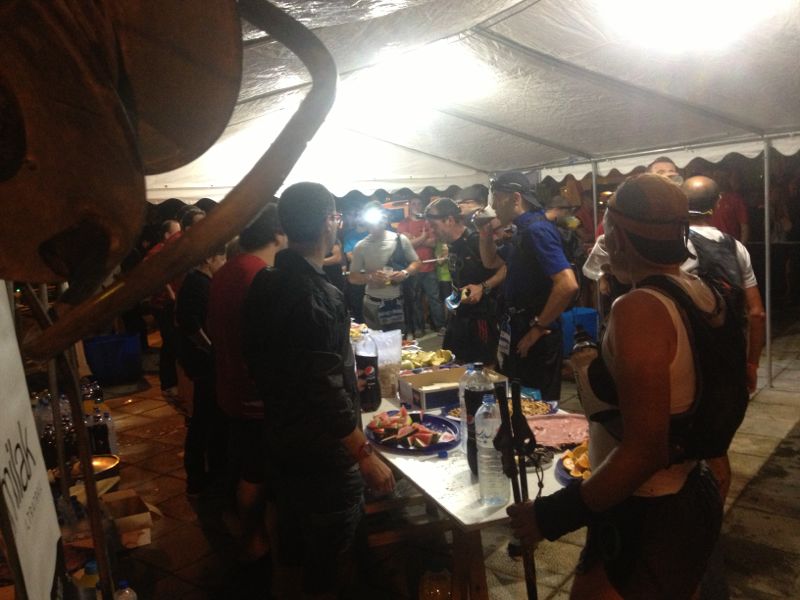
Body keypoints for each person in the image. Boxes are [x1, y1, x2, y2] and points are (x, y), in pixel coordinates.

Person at [508, 174, 726, 599]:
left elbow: (645, 450)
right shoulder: (701, 290)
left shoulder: (641, 308)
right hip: (685, 492)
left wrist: (551, 516)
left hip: (646, 506)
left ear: (618, 236)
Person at [243, 182, 395, 598]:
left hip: (281, 439)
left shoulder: (264, 282)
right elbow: (323, 388)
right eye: (336, 217)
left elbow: (263, 360)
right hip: (323, 455)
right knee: (330, 562)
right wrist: (364, 456)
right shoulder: (317, 293)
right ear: (330, 222)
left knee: (294, 548)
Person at [207, 203, 286, 561]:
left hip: (229, 384)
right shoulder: (260, 275)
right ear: (278, 235)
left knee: (246, 463)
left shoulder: (225, 271)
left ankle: (251, 534)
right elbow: (270, 342)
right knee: (256, 471)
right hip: (255, 392)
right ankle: (253, 540)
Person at [478, 172, 578, 401]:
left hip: (535, 334)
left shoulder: (537, 230)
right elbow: (490, 262)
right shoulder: (522, 230)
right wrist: (485, 232)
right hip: (518, 327)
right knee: (519, 399)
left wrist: (538, 329)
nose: (493, 206)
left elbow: (567, 284)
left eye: (497, 198)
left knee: (537, 405)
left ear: (515, 198)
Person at [425, 197, 505, 364]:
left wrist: (483, 286)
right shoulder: (452, 244)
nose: (431, 231)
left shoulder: (476, 240)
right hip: (458, 317)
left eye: (434, 226)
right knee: (450, 363)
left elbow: (506, 267)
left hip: (481, 319)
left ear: (449, 220)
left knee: (482, 368)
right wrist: (451, 301)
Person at [175, 245, 227, 496]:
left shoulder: (200, 281)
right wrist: (211, 348)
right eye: (222, 257)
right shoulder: (197, 283)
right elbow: (189, 323)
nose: (224, 263)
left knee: (204, 418)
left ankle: (203, 476)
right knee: (204, 419)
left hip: (202, 360)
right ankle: (198, 478)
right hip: (202, 362)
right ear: (209, 257)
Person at [348, 201, 420, 332]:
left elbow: (417, 262)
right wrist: (370, 277)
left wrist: (405, 273)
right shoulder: (361, 246)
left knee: (398, 339)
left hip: (397, 302)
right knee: (374, 340)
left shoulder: (400, 239)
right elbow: (352, 277)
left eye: (380, 217)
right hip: (372, 303)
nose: (376, 223)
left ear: (385, 218)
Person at [397, 196, 445, 335]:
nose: (416, 206)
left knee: (434, 298)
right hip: (413, 268)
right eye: (414, 203)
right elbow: (404, 245)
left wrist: (414, 239)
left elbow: (433, 243)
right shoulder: (403, 223)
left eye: (419, 203)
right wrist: (423, 237)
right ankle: (419, 328)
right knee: (415, 300)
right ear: (409, 205)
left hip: (429, 267)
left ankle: (440, 325)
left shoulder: (428, 222)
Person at [711, 170, 750, 243]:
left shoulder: (736, 199)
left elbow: (744, 227)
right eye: (716, 177)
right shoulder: (709, 199)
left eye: (722, 178)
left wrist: (741, 247)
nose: (719, 180)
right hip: (710, 244)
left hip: (730, 244)